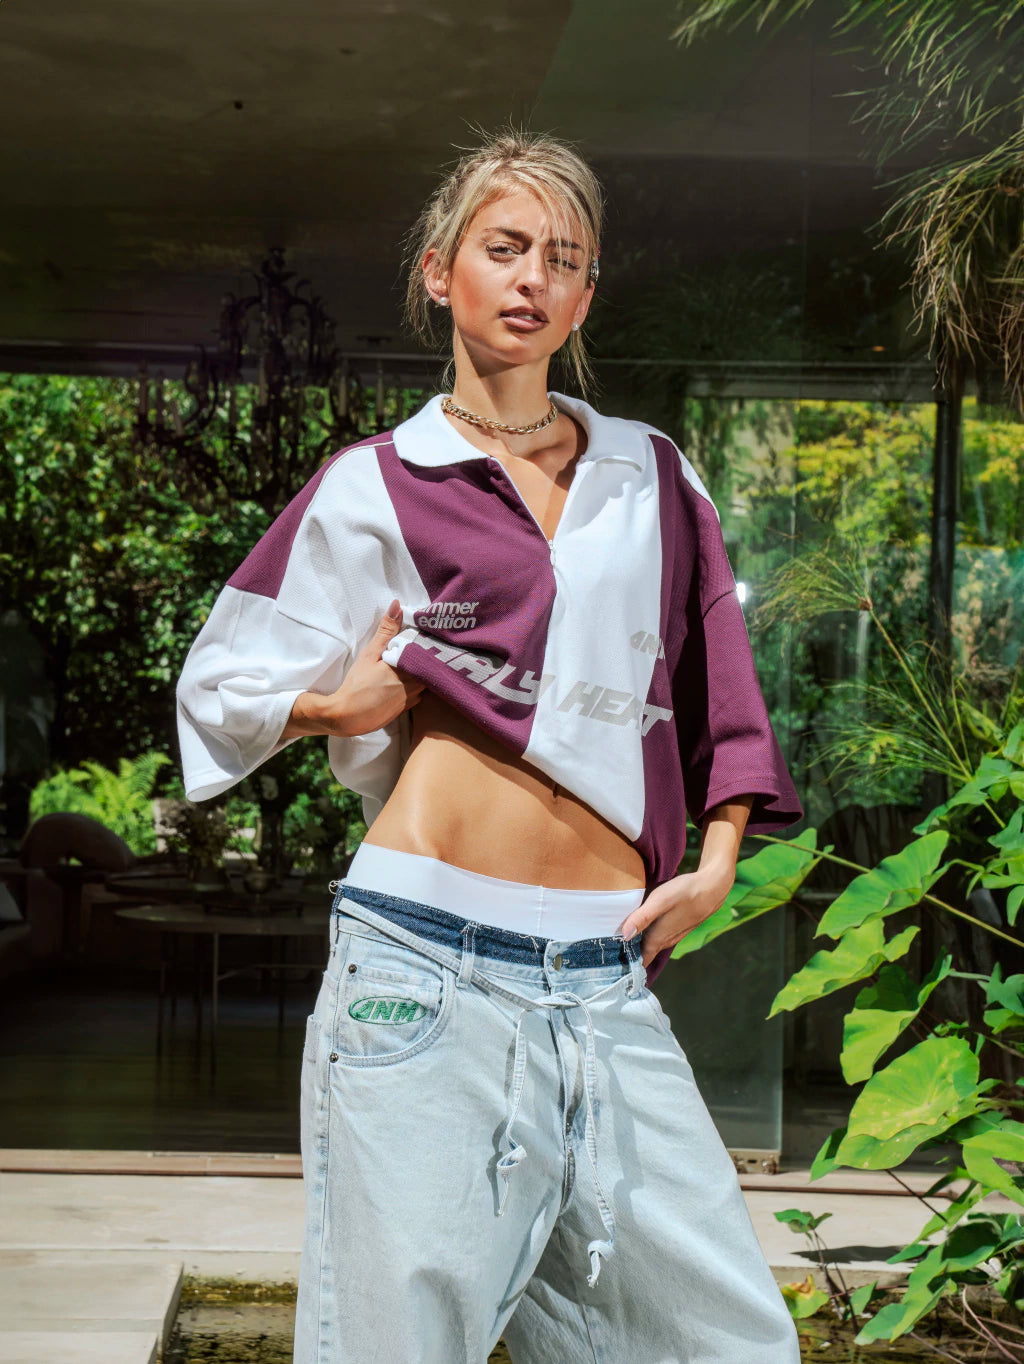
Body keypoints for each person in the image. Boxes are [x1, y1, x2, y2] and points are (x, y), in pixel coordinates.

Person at [176, 128, 804, 1363]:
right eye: (504, 247)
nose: (532, 278)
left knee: (723, 1340)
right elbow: (219, 680)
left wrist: (720, 857)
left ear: (585, 295)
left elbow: (718, 681)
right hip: (422, 958)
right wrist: (332, 706)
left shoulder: (650, 473)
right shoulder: (376, 480)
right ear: (438, 271)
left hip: (604, 971)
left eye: (562, 259)